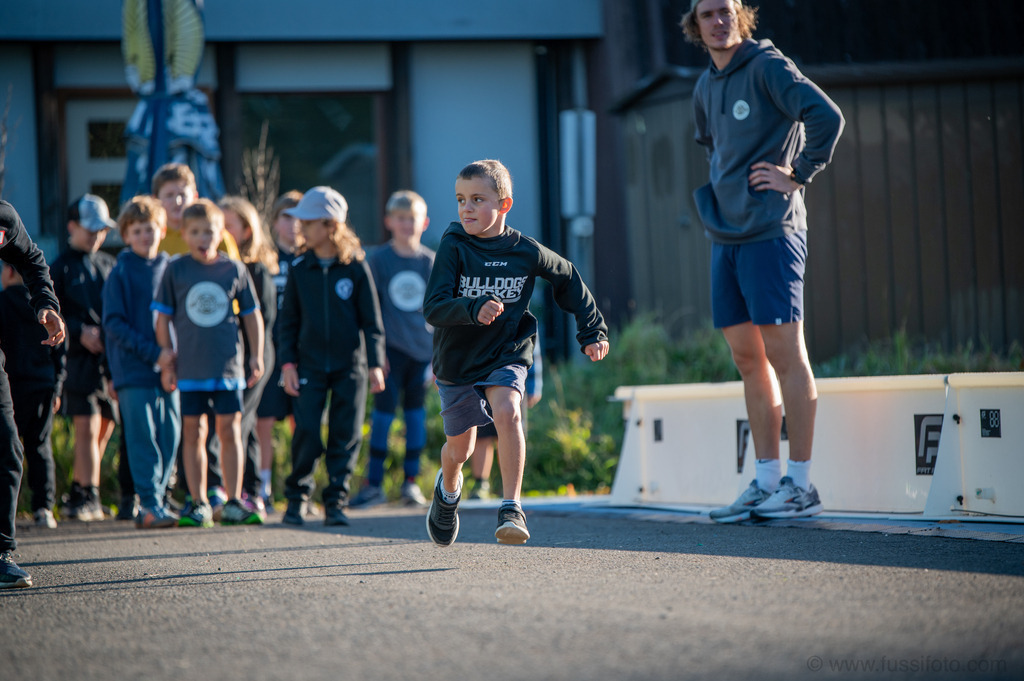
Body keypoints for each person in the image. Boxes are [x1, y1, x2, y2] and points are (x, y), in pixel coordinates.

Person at [680, 0, 844, 522]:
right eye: (708, 13)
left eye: (727, 10)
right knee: (747, 359)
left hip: (772, 233)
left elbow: (827, 116)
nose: (719, 20)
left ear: (741, 17)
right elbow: (715, 148)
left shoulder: (769, 67)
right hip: (725, 238)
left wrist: (798, 173)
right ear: (695, 25)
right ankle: (767, 479)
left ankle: (801, 485)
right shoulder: (705, 85)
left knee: (784, 354)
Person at [422, 159, 609, 546]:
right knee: (461, 448)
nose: (466, 208)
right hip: (457, 359)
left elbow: (568, 277)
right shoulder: (454, 245)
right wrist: (473, 309)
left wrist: (592, 330)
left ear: (504, 205)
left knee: (508, 411)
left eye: (477, 199)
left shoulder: (525, 251)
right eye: (460, 199)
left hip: (507, 350)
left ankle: (511, 507)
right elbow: (434, 306)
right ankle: (449, 489)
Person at [277, 186, 385, 527]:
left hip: (349, 366)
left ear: (329, 225)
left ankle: (336, 501)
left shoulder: (355, 267)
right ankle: (296, 499)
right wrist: (288, 364)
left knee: (345, 432)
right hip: (308, 365)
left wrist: (376, 363)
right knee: (307, 430)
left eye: (308, 222)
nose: (301, 228)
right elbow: (287, 322)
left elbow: (372, 321)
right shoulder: (298, 268)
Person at [153, 199, 265, 527]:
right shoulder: (175, 269)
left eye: (210, 232)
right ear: (184, 234)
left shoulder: (234, 269)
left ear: (221, 234)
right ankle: (199, 502)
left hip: (227, 367)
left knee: (230, 431)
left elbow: (252, 317)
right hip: (189, 369)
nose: (203, 238)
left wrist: (255, 356)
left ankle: (232, 501)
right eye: (196, 232)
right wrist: (166, 360)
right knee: (194, 431)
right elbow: (162, 319)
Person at [151, 162, 239, 514]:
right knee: (184, 429)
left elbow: (228, 297)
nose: (176, 200)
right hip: (176, 351)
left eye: (182, 193)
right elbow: (162, 309)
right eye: (168, 195)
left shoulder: (224, 244)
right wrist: (164, 352)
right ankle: (184, 496)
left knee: (224, 428)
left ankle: (222, 495)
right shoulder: (159, 239)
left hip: (218, 353)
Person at [350, 190, 434, 509]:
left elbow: (441, 313)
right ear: (389, 222)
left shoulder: (431, 262)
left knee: (416, 417)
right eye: (400, 219)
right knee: (383, 418)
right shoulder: (378, 261)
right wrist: (375, 352)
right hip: (388, 354)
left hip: (422, 353)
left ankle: (411, 483)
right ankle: (374, 485)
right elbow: (369, 310)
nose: (406, 225)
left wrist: (438, 355)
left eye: (412, 219)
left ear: (424, 222)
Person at [102, 196, 181, 529]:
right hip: (134, 370)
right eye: (136, 231)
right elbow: (114, 324)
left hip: (171, 369)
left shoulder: (173, 269)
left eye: (149, 229)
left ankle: (157, 500)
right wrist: (154, 354)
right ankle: (148, 502)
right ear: (126, 235)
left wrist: (172, 359)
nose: (144, 236)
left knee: (171, 434)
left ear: (161, 230)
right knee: (142, 437)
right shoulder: (119, 272)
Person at [0, 200, 67, 589]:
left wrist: (45, 303)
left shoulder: (4, 216)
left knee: (8, 444)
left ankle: (1, 552)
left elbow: (32, 260)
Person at [51, 194, 118, 522]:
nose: (97, 236)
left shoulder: (109, 264)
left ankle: (80, 488)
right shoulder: (59, 266)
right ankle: (87, 495)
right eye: (90, 229)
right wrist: (78, 331)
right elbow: (53, 310)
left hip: (106, 363)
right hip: (76, 361)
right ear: (72, 227)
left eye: (102, 230)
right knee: (86, 426)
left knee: (105, 425)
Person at [219, 195, 277, 520]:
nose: (222, 232)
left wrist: (254, 356)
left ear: (246, 229)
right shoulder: (214, 270)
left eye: (229, 225)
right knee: (243, 424)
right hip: (225, 355)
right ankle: (250, 489)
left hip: (253, 355)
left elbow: (264, 320)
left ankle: (243, 493)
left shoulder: (256, 270)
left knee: (240, 420)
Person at [0, 263, 66, 529]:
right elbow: (61, 350)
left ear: (10, 272)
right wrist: (58, 386)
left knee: (7, 448)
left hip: (11, 387)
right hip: (43, 385)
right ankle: (44, 508)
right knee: (39, 446)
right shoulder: (45, 309)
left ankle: (9, 512)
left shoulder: (2, 302)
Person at [254, 191, 303, 508]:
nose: (293, 223)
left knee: (304, 423)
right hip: (270, 352)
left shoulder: (311, 258)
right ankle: (263, 489)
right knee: (265, 422)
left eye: (299, 216)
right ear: (274, 222)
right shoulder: (265, 259)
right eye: (286, 216)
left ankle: (300, 488)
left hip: (303, 353)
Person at [468, 340, 541, 500]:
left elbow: (532, 347)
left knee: (509, 432)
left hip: (514, 376)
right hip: (481, 374)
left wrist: (535, 384)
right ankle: (481, 483)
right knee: (481, 435)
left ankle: (508, 486)